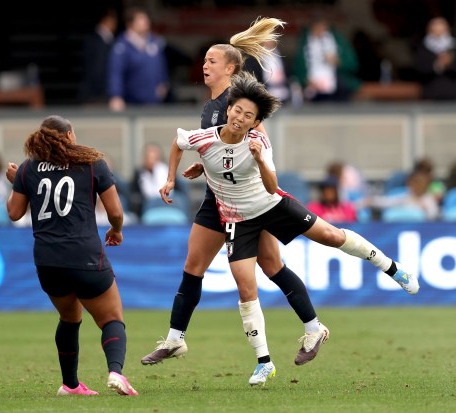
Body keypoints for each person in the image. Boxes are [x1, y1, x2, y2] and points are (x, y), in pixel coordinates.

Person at [141, 18, 329, 380]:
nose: (204, 66)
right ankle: (175, 338)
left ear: (229, 68)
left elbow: (256, 144)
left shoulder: (237, 103)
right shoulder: (212, 106)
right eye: (205, 61)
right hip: (217, 198)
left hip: (249, 203)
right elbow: (218, 147)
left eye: (211, 61)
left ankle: (310, 328)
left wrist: (243, 167)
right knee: (193, 266)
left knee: (271, 266)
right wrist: (203, 167)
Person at [5, 115, 138, 396]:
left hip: (47, 261)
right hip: (84, 256)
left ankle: (71, 385)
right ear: (67, 136)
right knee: (112, 318)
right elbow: (115, 211)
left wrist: (18, 182)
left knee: (69, 317)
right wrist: (117, 230)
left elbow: (14, 212)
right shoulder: (91, 162)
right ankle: (116, 372)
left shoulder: (28, 168)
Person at [107, 7, 169, 111]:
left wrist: (163, 82)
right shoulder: (122, 46)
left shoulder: (154, 41)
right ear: (130, 24)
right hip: (132, 102)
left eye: (146, 19)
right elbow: (116, 72)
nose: (146, 22)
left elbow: (160, 65)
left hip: (154, 101)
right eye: (141, 19)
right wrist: (116, 95)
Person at [292, 16, 361, 102]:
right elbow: (298, 69)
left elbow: (353, 64)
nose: (320, 32)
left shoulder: (338, 41)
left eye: (323, 28)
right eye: (317, 29)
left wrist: (338, 61)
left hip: (338, 88)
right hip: (313, 90)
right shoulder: (304, 44)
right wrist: (305, 81)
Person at [130, 142, 187, 218]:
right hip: (147, 203)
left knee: (179, 200)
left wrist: (157, 171)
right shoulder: (139, 173)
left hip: (169, 200)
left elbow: (176, 190)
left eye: (154, 157)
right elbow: (135, 193)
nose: (152, 160)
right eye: (149, 157)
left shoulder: (169, 170)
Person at [79, 8, 118, 104]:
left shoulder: (106, 39)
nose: (115, 23)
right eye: (113, 19)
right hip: (97, 94)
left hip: (101, 92)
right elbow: (97, 69)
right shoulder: (97, 41)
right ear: (106, 19)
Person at [413, 17, 456, 100]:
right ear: (429, 31)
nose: (439, 34)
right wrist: (437, 65)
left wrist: (448, 63)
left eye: (442, 30)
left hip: (453, 93)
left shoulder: (453, 47)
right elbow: (419, 68)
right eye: (436, 30)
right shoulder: (423, 48)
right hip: (431, 94)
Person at [244, 39, 290, 103]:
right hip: (264, 95)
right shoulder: (254, 58)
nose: (270, 41)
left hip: (283, 93)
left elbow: (288, 74)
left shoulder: (282, 55)